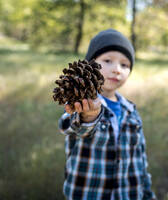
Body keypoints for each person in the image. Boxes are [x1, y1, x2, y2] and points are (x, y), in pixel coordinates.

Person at [58, 29, 156, 199]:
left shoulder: (131, 112)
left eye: (124, 64)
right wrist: (88, 117)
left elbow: (140, 162)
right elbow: (67, 125)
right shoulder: (81, 104)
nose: (117, 69)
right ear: (89, 66)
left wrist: (147, 193)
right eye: (108, 60)